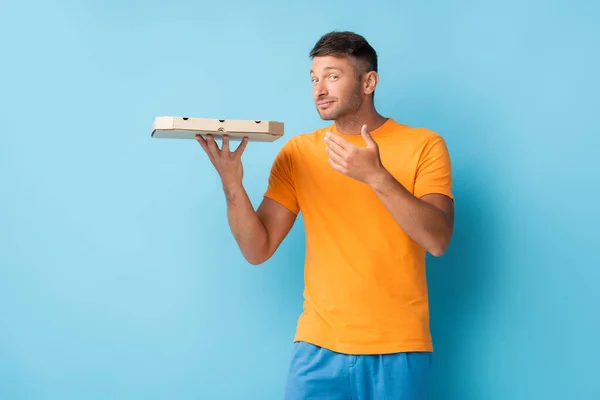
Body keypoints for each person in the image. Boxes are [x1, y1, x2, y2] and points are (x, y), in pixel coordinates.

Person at [196, 31, 454, 400]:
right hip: (318, 348)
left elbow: (439, 239)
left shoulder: (424, 145)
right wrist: (232, 186)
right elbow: (258, 249)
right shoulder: (299, 152)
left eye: (333, 76)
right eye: (314, 79)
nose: (320, 88)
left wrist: (377, 176)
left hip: (399, 347)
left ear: (369, 82)